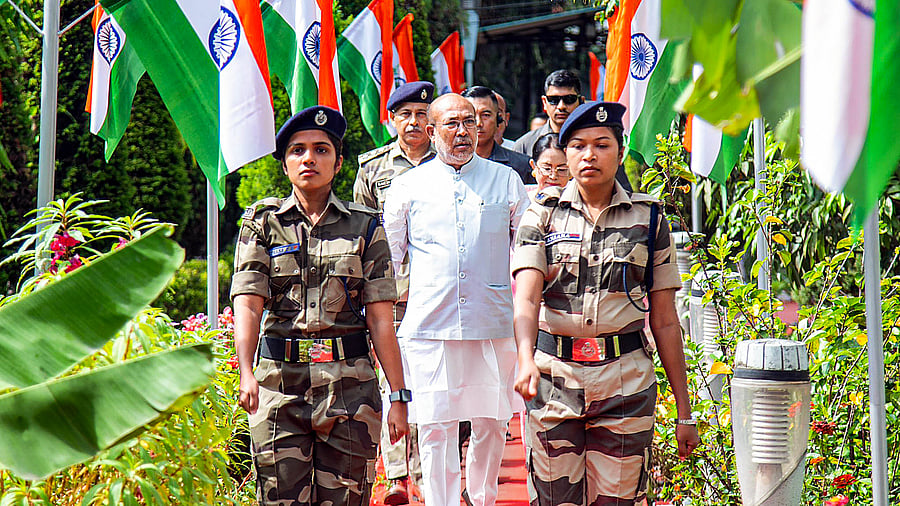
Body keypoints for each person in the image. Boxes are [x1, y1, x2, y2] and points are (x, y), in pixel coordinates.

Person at [511, 101, 700, 505]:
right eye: (577, 146)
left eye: (601, 144)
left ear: (621, 151)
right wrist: (525, 358)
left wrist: (684, 411)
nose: (589, 155)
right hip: (555, 381)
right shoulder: (541, 216)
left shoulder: (649, 219)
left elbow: (665, 321)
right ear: (565, 154)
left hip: (624, 382)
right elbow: (526, 299)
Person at [232, 105, 411, 506]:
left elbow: (382, 321)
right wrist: (245, 372)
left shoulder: (366, 226)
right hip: (279, 387)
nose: (308, 158)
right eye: (297, 150)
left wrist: (398, 396)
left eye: (320, 149)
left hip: (350, 389)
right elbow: (248, 303)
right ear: (284, 164)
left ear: (338, 162)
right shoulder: (262, 224)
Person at [382, 94, 530, 506]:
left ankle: (481, 499)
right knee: (434, 427)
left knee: (492, 421)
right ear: (432, 132)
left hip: (494, 324)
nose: (463, 131)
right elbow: (389, 261)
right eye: (452, 124)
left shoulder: (505, 181)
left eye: (470, 121)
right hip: (429, 327)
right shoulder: (408, 185)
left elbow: (529, 254)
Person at [355, 81, 436, 505]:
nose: (414, 122)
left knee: (428, 385)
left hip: (435, 293)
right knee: (392, 385)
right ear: (391, 120)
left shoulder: (451, 164)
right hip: (389, 296)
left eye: (422, 114)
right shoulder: (372, 168)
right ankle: (398, 477)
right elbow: (360, 233)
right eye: (405, 114)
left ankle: (428, 471)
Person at [461, 85, 535, 185]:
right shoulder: (451, 164)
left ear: (498, 119)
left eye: (486, 115)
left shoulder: (522, 166)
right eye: (471, 116)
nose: (478, 123)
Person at [512, 69, 582, 157]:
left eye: (569, 99)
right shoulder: (525, 145)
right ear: (544, 102)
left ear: (580, 102)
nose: (561, 106)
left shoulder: (592, 141)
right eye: (553, 100)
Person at [527, 132, 570, 201]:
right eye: (547, 169)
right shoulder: (522, 200)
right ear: (533, 166)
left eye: (562, 169)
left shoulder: (580, 202)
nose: (553, 177)